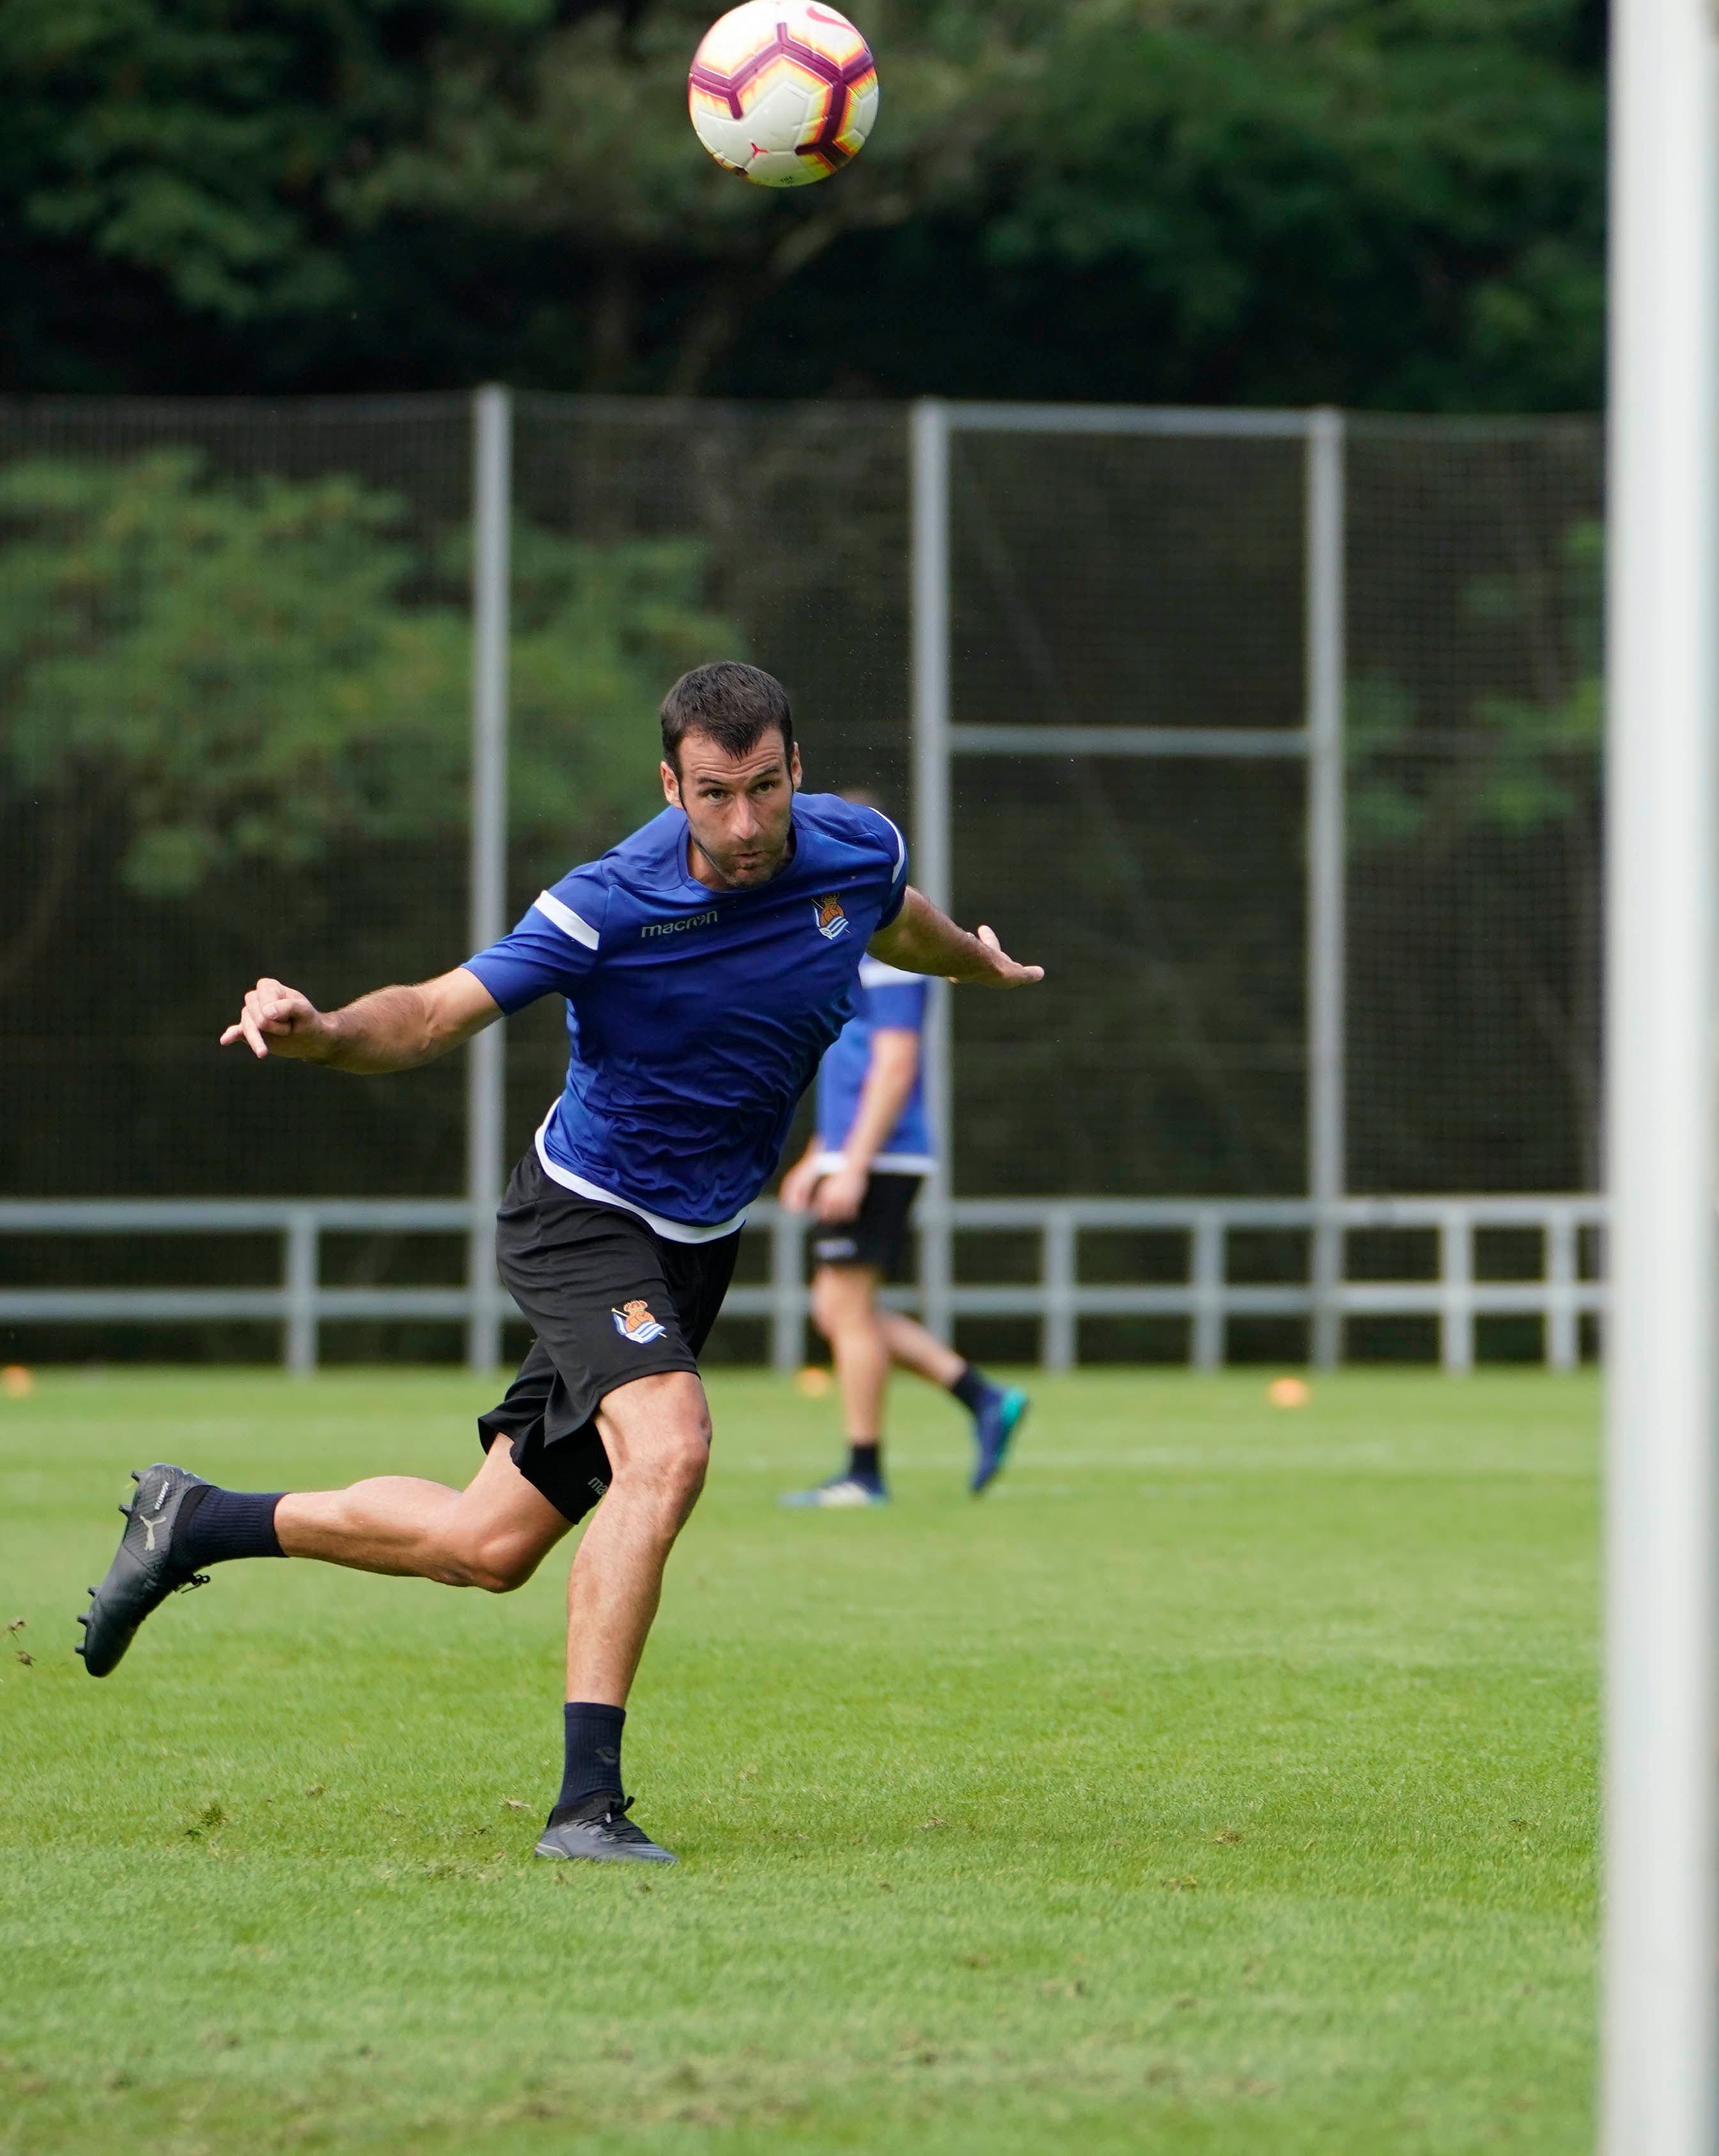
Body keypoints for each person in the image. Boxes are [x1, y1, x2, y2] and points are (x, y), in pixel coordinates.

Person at [75, 662, 1043, 1866]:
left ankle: (195, 1520)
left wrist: (975, 961)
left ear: (795, 768)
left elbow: (901, 917)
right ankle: (586, 1807)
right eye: (712, 795)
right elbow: (431, 1014)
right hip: (582, 1217)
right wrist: (323, 1031)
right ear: (668, 786)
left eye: (766, 788)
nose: (744, 825)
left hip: (694, 1243)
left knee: (485, 1546)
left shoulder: (853, 847)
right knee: (672, 1444)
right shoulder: (607, 904)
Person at [775, 815, 1029, 1507]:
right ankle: (983, 1396)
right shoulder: (847, 940)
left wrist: (853, 1162)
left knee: (847, 1311)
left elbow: (894, 1065)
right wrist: (819, 1156)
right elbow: (851, 1064)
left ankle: (864, 1473)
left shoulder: (890, 946)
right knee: (839, 1310)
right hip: (860, 1150)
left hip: (881, 1153)